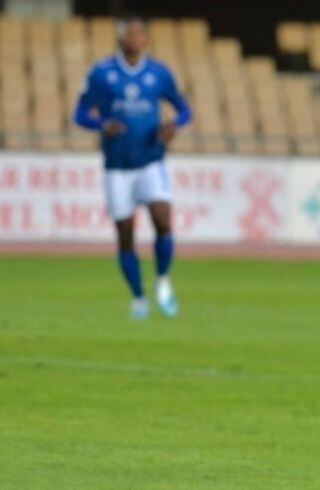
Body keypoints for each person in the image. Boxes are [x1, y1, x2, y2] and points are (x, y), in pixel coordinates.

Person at [73, 16, 192, 319]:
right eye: (130, 33)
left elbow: (184, 110)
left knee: (163, 218)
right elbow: (80, 114)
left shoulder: (159, 74)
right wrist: (103, 124)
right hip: (117, 167)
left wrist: (172, 126)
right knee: (125, 235)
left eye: (140, 33)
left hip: (150, 160)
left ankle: (163, 281)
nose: (136, 38)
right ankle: (139, 298)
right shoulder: (102, 74)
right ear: (120, 39)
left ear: (146, 39)